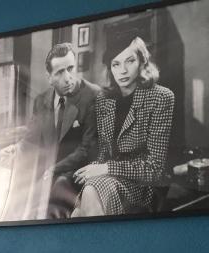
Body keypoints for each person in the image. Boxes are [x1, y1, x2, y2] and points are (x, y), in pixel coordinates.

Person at [71, 34, 175, 217]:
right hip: (109, 179)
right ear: (110, 68)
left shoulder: (161, 97)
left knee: (89, 195)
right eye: (116, 64)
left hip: (144, 185)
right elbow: (105, 155)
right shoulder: (104, 100)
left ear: (142, 61)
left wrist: (105, 168)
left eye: (130, 61)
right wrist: (92, 168)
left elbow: (155, 169)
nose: (123, 71)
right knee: (77, 212)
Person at [0, 43, 100, 221]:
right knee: (16, 188)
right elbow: (31, 139)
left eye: (70, 68)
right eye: (60, 72)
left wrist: (54, 169)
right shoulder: (41, 101)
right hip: (46, 171)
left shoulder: (93, 95)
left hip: (75, 172)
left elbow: (87, 148)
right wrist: (15, 148)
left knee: (54, 193)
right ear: (49, 77)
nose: (68, 78)